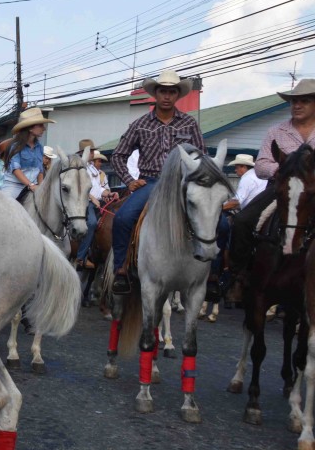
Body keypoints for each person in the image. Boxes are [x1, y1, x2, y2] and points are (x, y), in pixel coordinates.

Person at [110, 69, 203, 294]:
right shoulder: (140, 124)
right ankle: (120, 269)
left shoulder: (189, 124)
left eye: (172, 92)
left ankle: (211, 275)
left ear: (177, 95)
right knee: (122, 219)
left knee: (218, 222)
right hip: (150, 183)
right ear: (156, 94)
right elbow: (118, 155)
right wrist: (129, 181)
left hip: (182, 183)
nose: (167, 96)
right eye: (163, 91)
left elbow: (200, 155)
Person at [225, 79, 315, 300]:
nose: (298, 105)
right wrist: (283, 170)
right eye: (294, 101)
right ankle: (240, 275)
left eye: (304, 101)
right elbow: (262, 164)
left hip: (312, 191)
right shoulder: (276, 131)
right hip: (280, 188)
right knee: (243, 220)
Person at [1, 107, 53, 200]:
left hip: (32, 186)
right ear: (30, 128)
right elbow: (16, 169)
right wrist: (30, 184)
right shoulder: (15, 146)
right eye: (41, 125)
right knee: (6, 206)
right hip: (14, 186)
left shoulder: (39, 147)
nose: (44, 128)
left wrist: (41, 187)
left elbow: (39, 170)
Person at [76, 150, 114, 269]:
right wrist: (92, 199)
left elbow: (97, 187)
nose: (92, 154)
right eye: (91, 151)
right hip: (85, 201)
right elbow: (79, 187)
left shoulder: (94, 170)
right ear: (83, 152)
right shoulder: (78, 167)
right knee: (92, 223)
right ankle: (80, 257)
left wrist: (108, 194)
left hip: (97, 200)